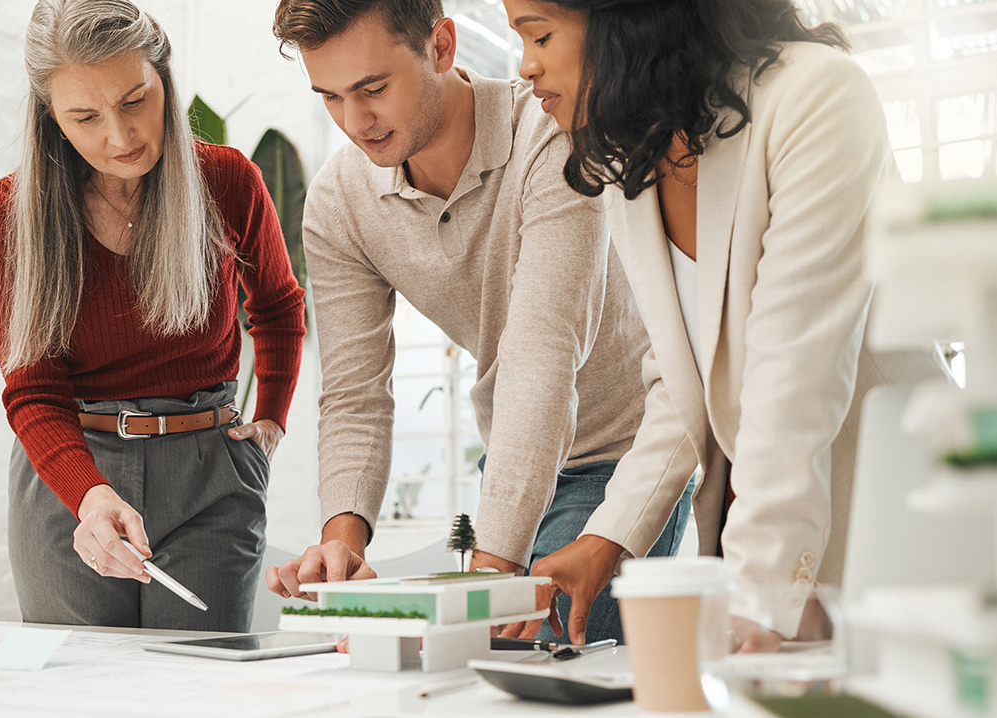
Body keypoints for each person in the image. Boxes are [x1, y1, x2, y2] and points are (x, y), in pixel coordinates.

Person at [502, 0, 948, 643]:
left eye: (539, 35)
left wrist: (759, 594)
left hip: (891, 523)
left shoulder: (817, 95)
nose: (525, 67)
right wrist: (608, 536)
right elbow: (682, 382)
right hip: (768, 528)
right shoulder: (638, 160)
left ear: (628, 19)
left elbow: (794, 378)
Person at [264, 0, 691, 644]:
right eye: (330, 97)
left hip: (623, 458)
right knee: (474, 667)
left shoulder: (552, 135)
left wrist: (489, 582)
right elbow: (355, 393)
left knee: (533, 656)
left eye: (373, 89)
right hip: (514, 463)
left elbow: (540, 357)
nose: (355, 122)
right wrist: (342, 541)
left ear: (441, 46)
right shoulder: (337, 201)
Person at [0, 0, 305, 631]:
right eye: (85, 117)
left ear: (164, 80)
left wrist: (270, 419)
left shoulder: (228, 181)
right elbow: (33, 390)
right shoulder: (11, 215)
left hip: (210, 476)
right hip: (73, 478)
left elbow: (278, 305)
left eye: (135, 101)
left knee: (198, 675)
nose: (121, 136)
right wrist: (87, 494)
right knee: (81, 678)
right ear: (51, 118)